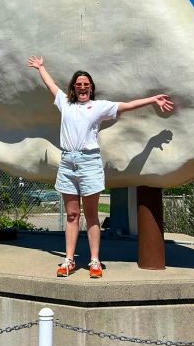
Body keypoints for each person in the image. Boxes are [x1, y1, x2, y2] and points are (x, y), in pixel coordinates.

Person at [27, 56, 174, 278]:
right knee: (72, 214)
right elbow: (50, 85)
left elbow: (127, 105)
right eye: (79, 85)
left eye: (86, 85)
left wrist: (153, 99)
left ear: (91, 88)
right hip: (68, 162)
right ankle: (69, 260)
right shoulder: (64, 104)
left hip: (89, 162)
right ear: (73, 89)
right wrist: (41, 68)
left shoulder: (98, 107)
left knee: (92, 214)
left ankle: (94, 260)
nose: (82, 88)